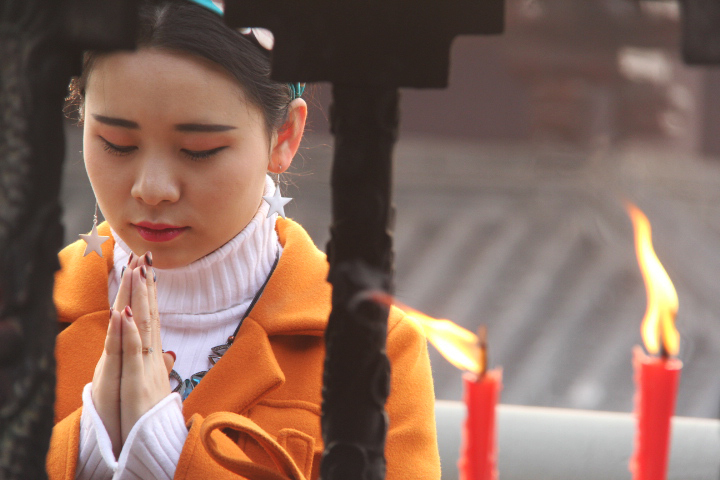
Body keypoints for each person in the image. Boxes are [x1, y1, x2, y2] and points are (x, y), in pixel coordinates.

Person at [47, 1, 441, 479]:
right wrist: (87, 446)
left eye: (199, 150)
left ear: (285, 135)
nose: (152, 189)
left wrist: (170, 457)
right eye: (116, 143)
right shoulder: (22, 317)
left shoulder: (372, 348)